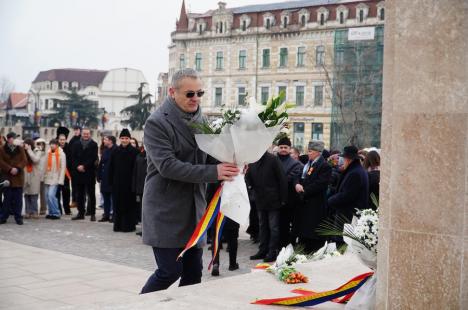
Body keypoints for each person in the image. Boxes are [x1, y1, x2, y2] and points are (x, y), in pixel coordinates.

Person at [140, 68, 239, 294]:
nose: (196, 98)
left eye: (200, 93)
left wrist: (236, 160)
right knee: (169, 271)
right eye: (190, 94)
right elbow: (167, 166)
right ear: (172, 92)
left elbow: (211, 155)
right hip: (166, 210)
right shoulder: (156, 122)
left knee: (194, 274)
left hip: (195, 210)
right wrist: (215, 172)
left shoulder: (201, 118)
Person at [246, 151, 288, 262]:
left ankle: (272, 251)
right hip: (260, 199)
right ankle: (262, 250)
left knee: (273, 227)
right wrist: (250, 188)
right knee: (262, 226)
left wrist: (283, 199)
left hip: (273, 200)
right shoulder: (252, 159)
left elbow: (282, 179)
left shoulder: (273, 159)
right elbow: (248, 176)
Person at [293, 140, 331, 253]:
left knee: (313, 233)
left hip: (315, 205)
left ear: (318, 152)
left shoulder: (324, 166)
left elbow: (320, 184)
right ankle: (303, 250)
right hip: (304, 204)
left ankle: (312, 251)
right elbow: (298, 176)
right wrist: (296, 184)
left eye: (310, 151)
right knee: (303, 232)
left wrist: (304, 190)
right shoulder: (307, 164)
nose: (308, 153)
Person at [328, 145, 369, 244]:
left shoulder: (355, 173)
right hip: (347, 216)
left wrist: (330, 200)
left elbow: (347, 196)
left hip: (348, 217)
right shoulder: (355, 170)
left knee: (342, 244)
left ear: (348, 159)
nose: (342, 161)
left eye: (344, 158)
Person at [108, 129, 139, 232]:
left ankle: (128, 226)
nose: (124, 140)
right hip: (117, 183)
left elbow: (137, 170)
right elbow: (111, 167)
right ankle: (118, 225)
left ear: (129, 139)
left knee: (129, 205)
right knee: (117, 205)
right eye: (122, 138)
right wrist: (110, 182)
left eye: (126, 138)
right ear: (119, 139)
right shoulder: (115, 151)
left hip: (130, 184)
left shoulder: (135, 152)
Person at [276, 137, 303, 248]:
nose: (283, 149)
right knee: (273, 226)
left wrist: (274, 180)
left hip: (288, 200)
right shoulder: (273, 160)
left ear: (289, 148)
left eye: (285, 147)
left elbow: (289, 179)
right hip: (273, 199)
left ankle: (286, 247)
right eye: (281, 147)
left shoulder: (295, 164)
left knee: (285, 225)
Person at [71, 128, 98, 221]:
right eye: (84, 133)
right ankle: (80, 213)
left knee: (91, 194)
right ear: (81, 134)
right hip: (78, 173)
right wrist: (78, 166)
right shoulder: (76, 144)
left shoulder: (94, 144)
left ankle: (92, 213)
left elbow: (93, 158)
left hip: (89, 172)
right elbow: (73, 157)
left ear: (90, 134)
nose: (86, 135)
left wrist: (84, 166)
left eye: (87, 134)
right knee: (80, 194)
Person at [0, 132, 27, 225]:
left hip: (18, 177)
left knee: (18, 199)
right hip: (7, 177)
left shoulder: (20, 148)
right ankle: (3, 217)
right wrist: (9, 169)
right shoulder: (2, 149)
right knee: (7, 199)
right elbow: (1, 161)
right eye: (14, 138)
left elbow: (24, 160)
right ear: (9, 139)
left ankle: (18, 218)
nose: (15, 140)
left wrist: (18, 168)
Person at [43, 139, 66, 220]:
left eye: (53, 144)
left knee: (51, 195)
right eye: (51, 144)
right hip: (47, 177)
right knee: (46, 196)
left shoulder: (61, 154)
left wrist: (61, 180)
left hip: (55, 178)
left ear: (57, 145)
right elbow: (44, 166)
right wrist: (43, 176)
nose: (52, 145)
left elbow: (63, 168)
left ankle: (56, 212)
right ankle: (51, 212)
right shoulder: (48, 153)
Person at [97, 135, 116, 222]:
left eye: (106, 140)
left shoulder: (116, 150)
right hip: (104, 178)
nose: (104, 141)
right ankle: (106, 214)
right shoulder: (105, 151)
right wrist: (98, 175)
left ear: (111, 141)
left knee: (113, 198)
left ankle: (113, 215)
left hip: (112, 177)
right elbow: (101, 164)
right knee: (105, 197)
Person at [23, 139, 42, 219]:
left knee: (34, 194)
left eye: (26, 145)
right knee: (26, 194)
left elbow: (35, 160)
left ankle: (34, 212)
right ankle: (27, 212)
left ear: (30, 145)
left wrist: (29, 150)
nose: (25, 146)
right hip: (26, 175)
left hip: (34, 176)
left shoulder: (37, 151)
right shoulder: (24, 151)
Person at [56, 128, 72, 215]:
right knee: (57, 192)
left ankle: (67, 209)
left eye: (63, 140)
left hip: (66, 173)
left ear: (66, 140)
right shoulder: (55, 148)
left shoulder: (69, 148)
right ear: (58, 140)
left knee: (66, 192)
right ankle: (58, 209)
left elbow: (71, 160)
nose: (62, 141)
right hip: (57, 174)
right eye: (61, 140)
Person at [132, 143, 147, 235]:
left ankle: (148, 230)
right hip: (140, 187)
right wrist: (135, 187)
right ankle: (144, 229)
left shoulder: (153, 154)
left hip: (149, 187)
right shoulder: (139, 155)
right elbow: (135, 172)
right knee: (142, 209)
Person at [68, 125, 81, 210]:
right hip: (73, 166)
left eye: (77, 130)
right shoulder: (72, 140)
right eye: (75, 130)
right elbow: (69, 153)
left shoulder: (82, 140)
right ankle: (74, 201)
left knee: (81, 186)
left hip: (81, 166)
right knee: (73, 185)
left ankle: (80, 202)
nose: (76, 131)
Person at [35, 139, 48, 216]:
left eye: (42, 144)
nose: (41, 146)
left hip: (44, 177)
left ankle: (43, 209)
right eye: (39, 144)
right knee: (34, 194)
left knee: (43, 194)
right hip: (35, 176)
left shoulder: (46, 153)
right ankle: (34, 209)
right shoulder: (35, 152)